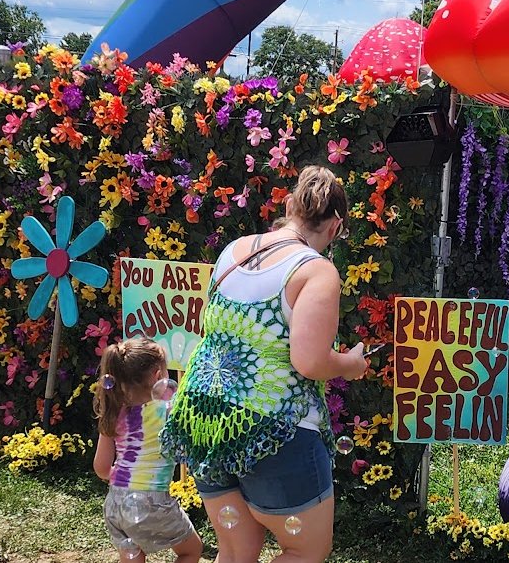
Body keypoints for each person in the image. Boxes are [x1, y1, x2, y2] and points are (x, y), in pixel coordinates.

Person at [162, 165, 369, 563]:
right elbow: (309, 361)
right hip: (273, 429)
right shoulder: (316, 271)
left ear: (289, 206)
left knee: (236, 551)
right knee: (306, 550)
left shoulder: (233, 250)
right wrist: (350, 364)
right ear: (335, 227)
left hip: (204, 419)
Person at [92, 338, 203, 563]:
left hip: (116, 501)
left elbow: (101, 468)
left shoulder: (113, 410)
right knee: (191, 550)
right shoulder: (169, 410)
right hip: (152, 500)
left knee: (132, 555)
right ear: (157, 376)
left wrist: (125, 479)